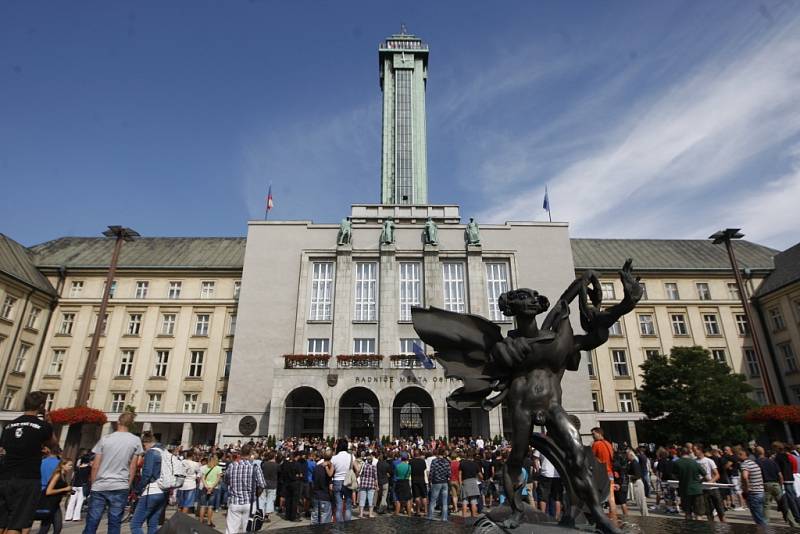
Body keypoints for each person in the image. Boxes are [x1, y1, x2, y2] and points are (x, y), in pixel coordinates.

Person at [0, 391, 56, 534]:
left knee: (2, 521)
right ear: (42, 406)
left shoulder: (8, 426)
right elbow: (53, 444)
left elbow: (4, 448)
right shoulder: (42, 426)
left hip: (5, 477)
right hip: (27, 478)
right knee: (17, 524)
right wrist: (48, 422)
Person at [83, 412, 143, 534]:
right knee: (115, 521)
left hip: (100, 484)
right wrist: (128, 483)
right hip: (120, 485)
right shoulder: (135, 440)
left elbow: (95, 465)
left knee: (93, 520)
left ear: (118, 422)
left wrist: (94, 483)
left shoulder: (105, 439)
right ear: (130, 424)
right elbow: (133, 466)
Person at [223, 444, 266, 534]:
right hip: (249, 502)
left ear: (240, 453)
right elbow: (262, 485)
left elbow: (226, 481)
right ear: (250, 454)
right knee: (248, 530)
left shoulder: (232, 466)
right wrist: (256, 495)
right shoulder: (254, 467)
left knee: (231, 530)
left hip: (235, 501)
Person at [130, 432, 165, 534]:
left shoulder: (151, 452)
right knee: (153, 524)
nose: (144, 449)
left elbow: (147, 474)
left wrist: (137, 490)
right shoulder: (164, 452)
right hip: (163, 491)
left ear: (147, 442)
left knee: (135, 524)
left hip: (152, 490)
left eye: (144, 446)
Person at [37, 459, 73, 534]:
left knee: (58, 527)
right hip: (48, 504)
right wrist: (65, 488)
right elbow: (48, 491)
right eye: (69, 465)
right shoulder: (57, 475)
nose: (71, 467)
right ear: (62, 465)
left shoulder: (64, 475)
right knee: (45, 527)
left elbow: (58, 489)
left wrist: (66, 492)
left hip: (55, 504)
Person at [590, 427, 617, 520]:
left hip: (602, 474)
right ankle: (614, 518)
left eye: (593, 434)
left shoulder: (596, 444)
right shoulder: (609, 444)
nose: (592, 436)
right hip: (610, 473)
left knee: (598, 497)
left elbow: (591, 459)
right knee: (611, 498)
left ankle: (601, 519)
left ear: (599, 433)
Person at [672, 446, 704, 520]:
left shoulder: (677, 462)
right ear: (689, 453)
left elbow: (673, 475)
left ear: (680, 453)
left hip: (684, 490)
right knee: (698, 514)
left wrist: (681, 479)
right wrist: (699, 481)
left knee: (687, 513)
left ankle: (689, 529)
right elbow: (705, 475)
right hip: (697, 490)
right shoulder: (694, 462)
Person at [693, 445, 724, 522]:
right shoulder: (694, 461)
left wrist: (710, 482)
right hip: (702, 490)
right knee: (709, 513)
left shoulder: (709, 461)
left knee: (721, 512)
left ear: (700, 450)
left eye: (695, 450)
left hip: (713, 488)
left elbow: (717, 475)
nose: (693, 452)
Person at [737, 445, 766, 526]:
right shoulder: (753, 463)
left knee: (759, 519)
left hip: (753, 494)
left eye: (740, 454)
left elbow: (745, 476)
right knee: (761, 517)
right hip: (760, 492)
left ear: (745, 455)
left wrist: (746, 490)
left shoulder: (745, 464)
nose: (738, 456)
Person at [331, 439, 358, 522]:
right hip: (348, 482)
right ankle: (347, 526)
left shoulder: (334, 458)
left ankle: (339, 527)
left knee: (339, 506)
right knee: (348, 506)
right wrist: (354, 477)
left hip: (337, 481)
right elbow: (357, 469)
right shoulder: (351, 456)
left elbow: (331, 472)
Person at [755, 446, 782, 525]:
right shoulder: (772, 461)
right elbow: (780, 475)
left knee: (766, 505)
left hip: (765, 484)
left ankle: (765, 524)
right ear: (764, 452)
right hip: (776, 484)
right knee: (783, 504)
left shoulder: (756, 462)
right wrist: (780, 485)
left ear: (756, 453)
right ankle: (793, 523)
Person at [65, 450, 92, 522]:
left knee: (72, 501)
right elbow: (90, 478)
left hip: (74, 485)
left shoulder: (77, 467)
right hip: (82, 486)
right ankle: (76, 517)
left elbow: (73, 476)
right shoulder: (89, 468)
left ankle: (68, 516)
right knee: (79, 502)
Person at [198, 455, 222, 528]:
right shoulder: (218, 468)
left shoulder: (203, 467)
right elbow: (218, 479)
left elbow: (202, 478)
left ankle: (201, 521)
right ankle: (208, 522)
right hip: (213, 488)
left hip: (204, 488)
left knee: (202, 506)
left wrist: (206, 486)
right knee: (210, 506)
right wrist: (211, 487)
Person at [311, 451, 334, 524]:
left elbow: (313, 482)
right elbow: (330, 486)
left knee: (315, 519)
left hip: (316, 496)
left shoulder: (316, 467)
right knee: (325, 520)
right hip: (325, 496)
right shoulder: (330, 469)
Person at [428, 449, 450, 521]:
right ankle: (444, 518)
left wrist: (430, 480)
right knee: (444, 502)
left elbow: (431, 472)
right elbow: (449, 473)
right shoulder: (447, 462)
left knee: (433, 500)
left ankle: (430, 516)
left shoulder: (434, 461)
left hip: (436, 482)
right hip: (444, 482)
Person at [538, 453, 562, 519]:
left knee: (543, 497)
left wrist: (538, 469)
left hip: (545, 473)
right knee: (557, 498)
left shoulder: (542, 444)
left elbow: (535, 458)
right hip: (557, 474)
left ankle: (542, 516)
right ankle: (557, 517)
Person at [459, 450, 481, 517]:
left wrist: (460, 483)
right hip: (473, 482)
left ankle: (464, 516)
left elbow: (459, 474)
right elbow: (480, 475)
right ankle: (474, 516)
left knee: (465, 501)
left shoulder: (462, 463)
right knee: (473, 501)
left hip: (465, 482)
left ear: (466, 455)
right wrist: (481, 479)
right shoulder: (475, 464)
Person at [626, 449, 648, 517]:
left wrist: (628, 477)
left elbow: (637, 475)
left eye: (627, 455)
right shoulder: (633, 462)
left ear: (630, 455)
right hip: (637, 483)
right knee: (640, 502)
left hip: (637, 483)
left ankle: (645, 516)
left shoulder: (634, 463)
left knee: (641, 502)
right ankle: (644, 515)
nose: (627, 457)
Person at [357, 452, 378, 518]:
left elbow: (360, 474)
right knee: (371, 499)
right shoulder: (374, 467)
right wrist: (377, 486)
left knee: (362, 499)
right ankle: (370, 514)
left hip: (363, 484)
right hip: (371, 484)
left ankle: (361, 514)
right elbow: (375, 477)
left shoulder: (363, 466)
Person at [259, 451, 278, 523]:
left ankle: (261, 514)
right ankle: (266, 515)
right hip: (272, 484)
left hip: (264, 483)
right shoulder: (276, 465)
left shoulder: (264, 464)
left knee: (262, 499)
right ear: (274, 457)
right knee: (270, 500)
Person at [409, 449, 428, 516]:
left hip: (414, 480)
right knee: (424, 496)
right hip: (421, 480)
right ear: (420, 454)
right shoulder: (422, 461)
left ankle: (418, 511)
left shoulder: (411, 461)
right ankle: (425, 510)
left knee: (416, 496)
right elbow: (424, 469)